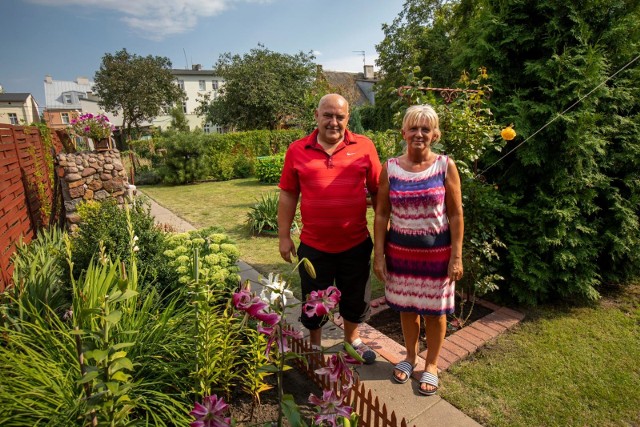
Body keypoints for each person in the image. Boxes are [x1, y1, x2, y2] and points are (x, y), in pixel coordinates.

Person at [278, 93, 382, 364]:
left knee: (355, 295)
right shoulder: (297, 150)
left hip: (355, 241)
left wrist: (385, 230)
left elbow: (378, 191)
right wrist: (284, 236)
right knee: (314, 298)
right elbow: (288, 194)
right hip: (314, 245)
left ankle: (352, 340)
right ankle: (314, 344)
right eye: (328, 115)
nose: (333, 122)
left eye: (340, 116)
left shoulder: (364, 146)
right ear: (316, 115)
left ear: (347, 118)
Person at [373, 104, 464, 395]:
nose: (419, 134)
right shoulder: (390, 168)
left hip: (437, 256)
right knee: (406, 309)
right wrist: (379, 255)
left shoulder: (445, 166)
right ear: (403, 132)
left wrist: (456, 256)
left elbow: (456, 214)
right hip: (400, 255)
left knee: (435, 313)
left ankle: (432, 365)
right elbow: (381, 214)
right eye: (413, 127)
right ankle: (410, 357)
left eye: (426, 128)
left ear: (435, 134)